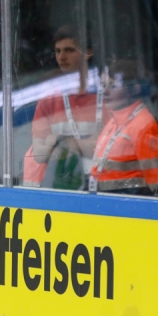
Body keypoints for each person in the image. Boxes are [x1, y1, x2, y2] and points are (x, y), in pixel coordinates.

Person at [25, 25, 110, 189]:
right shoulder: (48, 99)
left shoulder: (106, 94)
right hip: (63, 186)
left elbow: (110, 148)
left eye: (69, 50)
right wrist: (87, 144)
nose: (61, 57)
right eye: (57, 51)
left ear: (88, 53)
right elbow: (39, 154)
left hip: (103, 187)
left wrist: (61, 142)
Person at [89, 61, 158, 195]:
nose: (105, 91)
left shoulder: (142, 125)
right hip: (107, 200)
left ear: (134, 89)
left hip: (129, 203)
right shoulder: (113, 121)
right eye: (103, 85)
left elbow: (156, 185)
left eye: (113, 85)